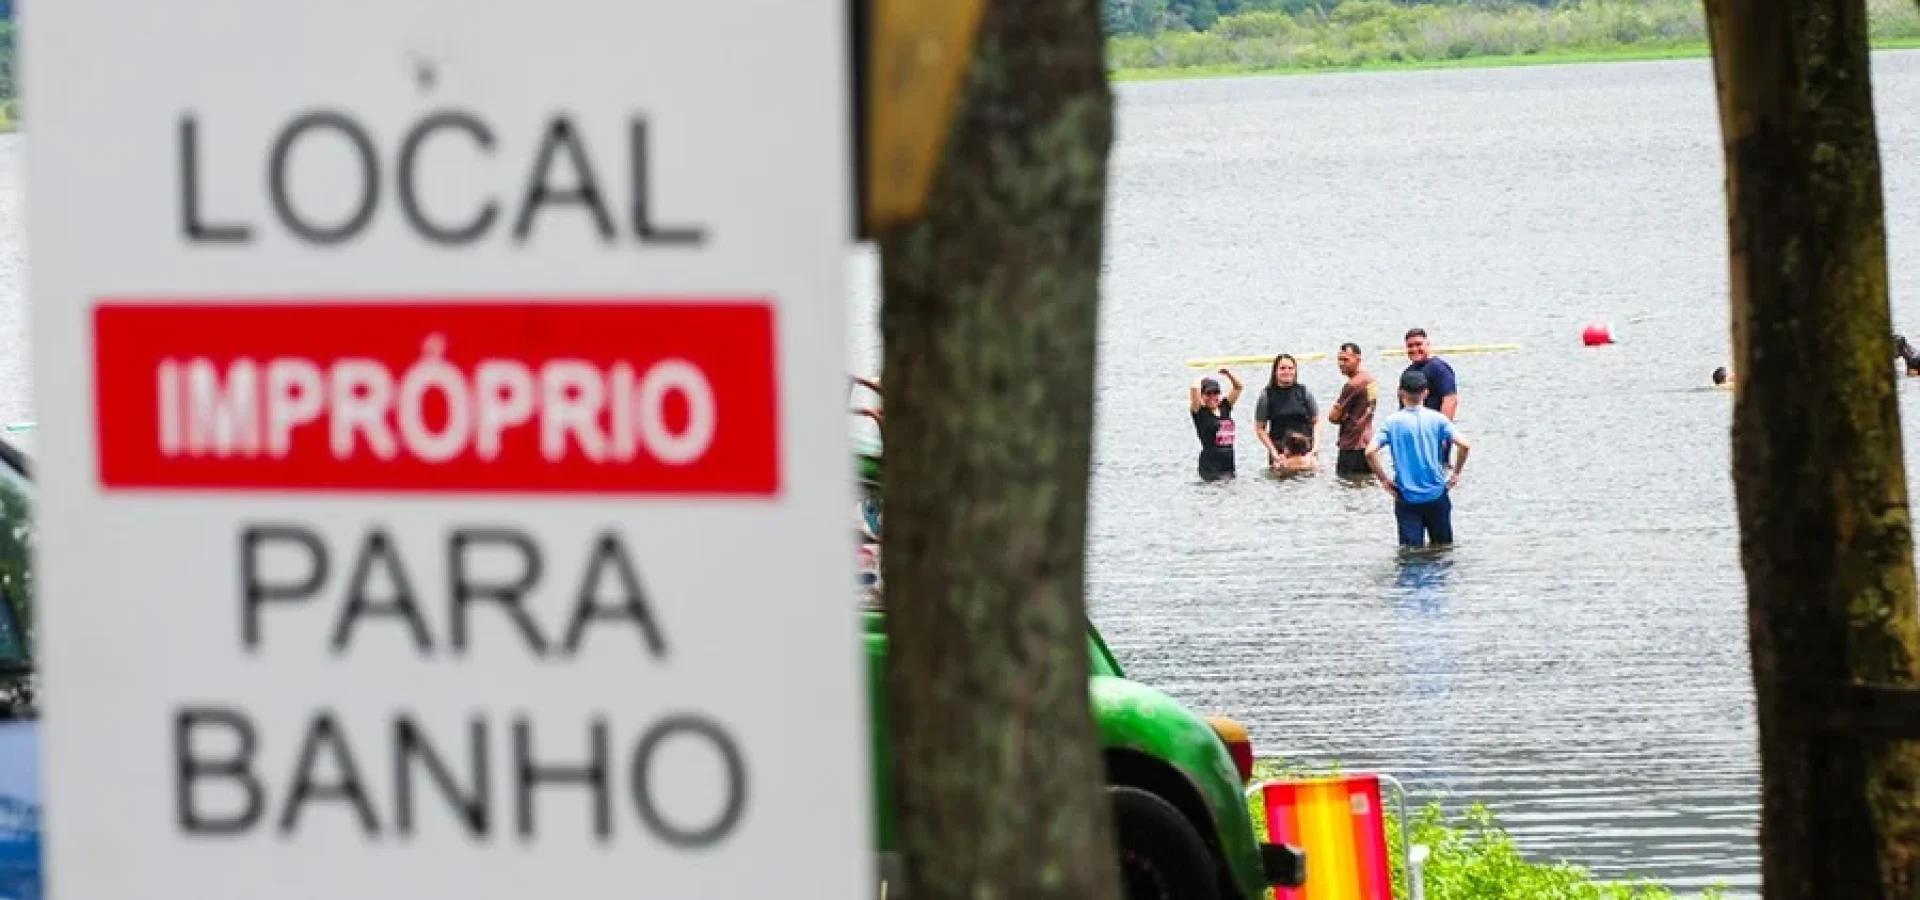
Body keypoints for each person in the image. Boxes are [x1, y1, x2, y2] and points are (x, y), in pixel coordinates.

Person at [1367, 369, 1472, 548]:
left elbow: (1369, 452)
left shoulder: (1392, 422)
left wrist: (1384, 480)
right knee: (1442, 550)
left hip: (1406, 496)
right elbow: (1464, 445)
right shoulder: (1438, 419)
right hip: (1437, 494)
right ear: (1426, 392)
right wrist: (1455, 473)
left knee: (1410, 555)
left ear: (1400, 392)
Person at [1255, 354, 1318, 472]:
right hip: (1280, 451)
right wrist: (1273, 451)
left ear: (1295, 371)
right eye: (1282, 368)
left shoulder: (1304, 392)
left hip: (1305, 450)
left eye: (1290, 368)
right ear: (1275, 371)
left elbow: (1317, 421)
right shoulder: (1266, 395)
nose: (1287, 371)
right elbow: (1260, 428)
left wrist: (1315, 449)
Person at [1326, 342, 1379, 478]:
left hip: (1352, 443)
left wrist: (1339, 416)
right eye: (1340, 359)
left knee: (1346, 482)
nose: (1342, 364)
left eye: (1346, 360)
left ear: (1358, 359)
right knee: (1367, 482)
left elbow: (1333, 417)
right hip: (1368, 441)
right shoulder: (1370, 379)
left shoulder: (1353, 384)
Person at [1190, 367, 1242, 481]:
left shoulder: (1224, 407)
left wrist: (1229, 374)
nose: (1213, 397)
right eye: (1208, 393)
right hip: (1210, 465)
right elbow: (1194, 388)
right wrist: (1202, 377)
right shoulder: (1200, 412)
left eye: (1216, 393)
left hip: (1228, 463)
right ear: (1202, 396)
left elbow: (1238, 387)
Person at [1401, 328, 1459, 420]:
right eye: (1410, 346)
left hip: (1433, 427)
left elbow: (1450, 399)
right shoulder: (1408, 372)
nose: (1414, 349)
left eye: (1418, 344)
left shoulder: (1439, 368)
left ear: (1427, 344)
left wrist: (1441, 430)